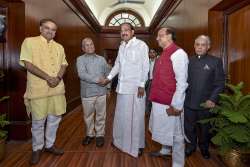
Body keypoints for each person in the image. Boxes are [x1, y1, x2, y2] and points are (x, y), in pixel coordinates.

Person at [19, 18, 68, 165]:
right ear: (40, 28)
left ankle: (49, 145)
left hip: (57, 89)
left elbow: (64, 64)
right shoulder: (29, 41)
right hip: (38, 90)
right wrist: (48, 77)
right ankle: (37, 148)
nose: (50, 31)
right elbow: (27, 63)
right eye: (47, 28)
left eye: (53, 30)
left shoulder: (59, 47)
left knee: (54, 119)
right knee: (38, 121)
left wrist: (58, 78)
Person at [102, 22, 149, 157]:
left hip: (135, 89)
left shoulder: (141, 45)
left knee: (136, 118)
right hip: (122, 89)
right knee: (121, 116)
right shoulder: (121, 46)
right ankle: (120, 141)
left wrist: (141, 84)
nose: (124, 32)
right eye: (121, 31)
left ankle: (138, 145)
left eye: (126, 30)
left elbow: (145, 66)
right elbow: (117, 65)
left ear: (133, 32)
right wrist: (109, 78)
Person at [149, 27, 188, 167]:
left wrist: (177, 106)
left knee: (176, 135)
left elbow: (182, 83)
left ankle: (178, 164)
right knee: (165, 131)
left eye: (160, 35)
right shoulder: (163, 54)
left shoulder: (178, 54)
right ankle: (165, 150)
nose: (157, 38)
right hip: (159, 101)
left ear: (170, 36)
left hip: (170, 103)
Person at [184, 35, 225, 159]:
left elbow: (219, 83)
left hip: (205, 103)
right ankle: (190, 147)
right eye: (197, 44)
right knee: (189, 127)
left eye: (203, 45)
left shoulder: (215, 61)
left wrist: (212, 99)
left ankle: (204, 148)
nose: (199, 47)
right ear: (194, 46)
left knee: (205, 129)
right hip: (189, 101)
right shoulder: (188, 60)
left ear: (208, 47)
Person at [76, 38, 110, 147]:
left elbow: (107, 74)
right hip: (87, 93)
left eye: (91, 44)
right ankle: (90, 134)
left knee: (101, 115)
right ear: (83, 48)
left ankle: (100, 134)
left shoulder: (101, 59)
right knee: (88, 116)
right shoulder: (80, 59)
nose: (89, 46)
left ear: (94, 46)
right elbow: (82, 74)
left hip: (101, 92)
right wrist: (98, 80)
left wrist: (108, 88)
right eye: (86, 45)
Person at [145, 49, 158, 114]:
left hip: (156, 82)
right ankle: (147, 111)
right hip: (149, 82)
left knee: (155, 98)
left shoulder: (158, 61)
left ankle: (154, 112)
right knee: (148, 97)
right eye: (150, 52)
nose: (152, 54)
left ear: (156, 54)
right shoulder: (147, 62)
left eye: (153, 52)